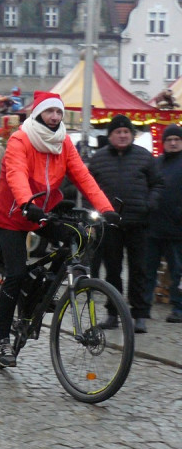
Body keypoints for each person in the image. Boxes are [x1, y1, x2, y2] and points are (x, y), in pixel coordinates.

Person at [0, 91, 115, 367]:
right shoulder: (21, 138)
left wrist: (106, 209)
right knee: (16, 274)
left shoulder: (63, 142)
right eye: (50, 111)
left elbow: (83, 177)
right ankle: (2, 341)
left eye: (59, 112)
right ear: (39, 113)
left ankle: (41, 295)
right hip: (13, 214)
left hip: (42, 212)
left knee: (76, 237)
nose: (55, 117)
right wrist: (25, 203)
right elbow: (15, 173)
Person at [86, 114, 163, 334]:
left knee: (139, 270)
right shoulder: (99, 158)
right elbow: (89, 185)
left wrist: (150, 203)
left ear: (132, 134)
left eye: (126, 132)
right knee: (112, 271)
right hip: (110, 225)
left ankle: (139, 314)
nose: (122, 135)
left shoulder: (145, 157)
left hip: (139, 222)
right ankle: (113, 313)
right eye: (117, 132)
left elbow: (158, 184)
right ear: (110, 135)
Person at [145, 125, 182, 323]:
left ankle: (179, 307)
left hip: (177, 230)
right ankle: (143, 307)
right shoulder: (156, 164)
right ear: (164, 142)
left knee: (178, 271)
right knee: (148, 270)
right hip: (154, 227)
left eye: (177, 139)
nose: (173, 143)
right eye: (169, 140)